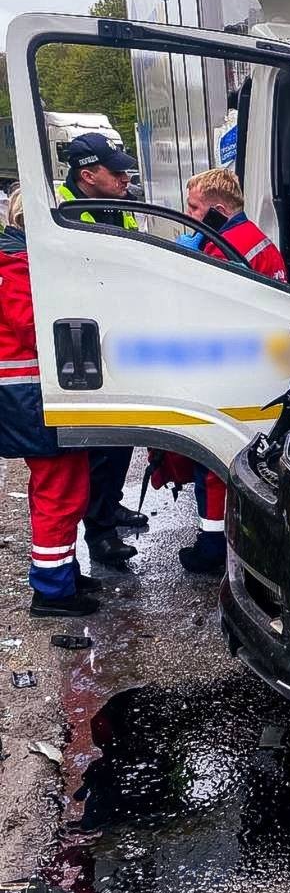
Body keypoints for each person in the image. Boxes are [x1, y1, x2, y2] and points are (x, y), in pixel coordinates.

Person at [174, 167, 287, 574]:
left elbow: (201, 306)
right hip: (253, 359)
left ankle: (213, 545)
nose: (188, 215)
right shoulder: (253, 238)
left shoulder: (225, 246)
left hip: (228, 363)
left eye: (194, 208)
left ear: (219, 210)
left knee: (212, 459)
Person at [0, 191, 100, 616]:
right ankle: (52, 589)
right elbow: (35, 325)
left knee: (65, 487)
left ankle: (62, 570)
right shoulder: (20, 267)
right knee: (58, 492)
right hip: (30, 397)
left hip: (33, 396)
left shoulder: (16, 262)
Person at [58, 133, 146, 568]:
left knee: (124, 434)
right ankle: (100, 532)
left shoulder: (114, 203)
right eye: (117, 172)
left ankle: (110, 506)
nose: (126, 178)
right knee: (99, 442)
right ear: (87, 175)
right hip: (84, 341)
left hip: (117, 333)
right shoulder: (60, 209)